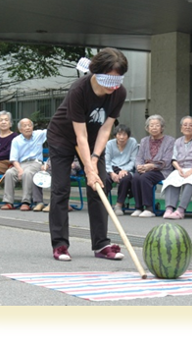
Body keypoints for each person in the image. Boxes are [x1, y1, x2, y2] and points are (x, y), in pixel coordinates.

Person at [46, 48, 128, 261]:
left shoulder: (119, 93)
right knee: (61, 189)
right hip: (63, 137)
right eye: (109, 80)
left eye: (117, 79)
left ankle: (101, 245)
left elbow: (105, 129)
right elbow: (79, 135)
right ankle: (60, 244)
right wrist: (88, 170)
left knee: (98, 186)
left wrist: (93, 160)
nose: (114, 85)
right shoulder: (79, 90)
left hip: (93, 140)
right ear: (97, 74)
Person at [161, 116, 192, 219]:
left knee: (189, 180)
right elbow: (173, 159)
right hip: (181, 168)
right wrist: (179, 169)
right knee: (171, 179)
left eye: (191, 125)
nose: (188, 127)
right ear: (181, 128)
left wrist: (191, 171)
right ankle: (169, 209)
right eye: (185, 125)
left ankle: (181, 210)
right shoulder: (178, 141)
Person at [131, 115, 175, 218]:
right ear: (147, 128)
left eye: (157, 125)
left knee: (145, 177)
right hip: (146, 169)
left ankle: (149, 208)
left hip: (162, 171)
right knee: (136, 177)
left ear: (162, 127)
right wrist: (139, 166)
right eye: (151, 125)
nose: (154, 128)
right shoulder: (144, 141)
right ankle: (139, 207)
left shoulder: (170, 141)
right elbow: (139, 157)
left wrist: (150, 166)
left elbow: (167, 161)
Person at [0, 118, 47, 210]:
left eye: (29, 125)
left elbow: (52, 129)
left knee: (28, 173)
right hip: (21, 164)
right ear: (20, 130)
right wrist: (19, 170)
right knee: (9, 173)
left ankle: (26, 202)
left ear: (32, 127)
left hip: (35, 163)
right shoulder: (16, 140)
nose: (27, 128)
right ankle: (8, 201)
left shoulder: (39, 134)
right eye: (24, 126)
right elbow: (13, 159)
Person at [105, 124, 139, 216]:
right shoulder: (110, 144)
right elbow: (106, 161)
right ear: (115, 135)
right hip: (112, 168)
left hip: (126, 168)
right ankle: (104, 204)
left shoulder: (133, 142)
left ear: (128, 136)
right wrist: (112, 173)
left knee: (126, 178)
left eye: (124, 135)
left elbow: (133, 160)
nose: (122, 137)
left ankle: (119, 205)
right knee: (105, 179)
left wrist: (125, 170)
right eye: (119, 134)